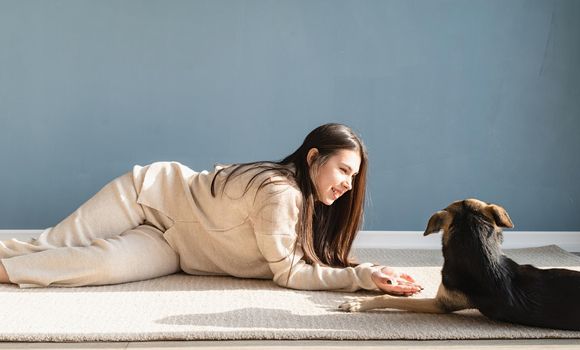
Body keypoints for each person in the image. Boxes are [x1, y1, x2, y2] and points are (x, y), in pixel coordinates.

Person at [0, 123, 422, 295]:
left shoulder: (308, 204)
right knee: (48, 244)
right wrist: (360, 279)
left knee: (95, 267)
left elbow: (303, 262)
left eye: (354, 177)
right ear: (313, 157)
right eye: (344, 170)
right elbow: (290, 273)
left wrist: (367, 271)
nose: (348, 185)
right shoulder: (282, 192)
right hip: (149, 194)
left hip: (177, 249)